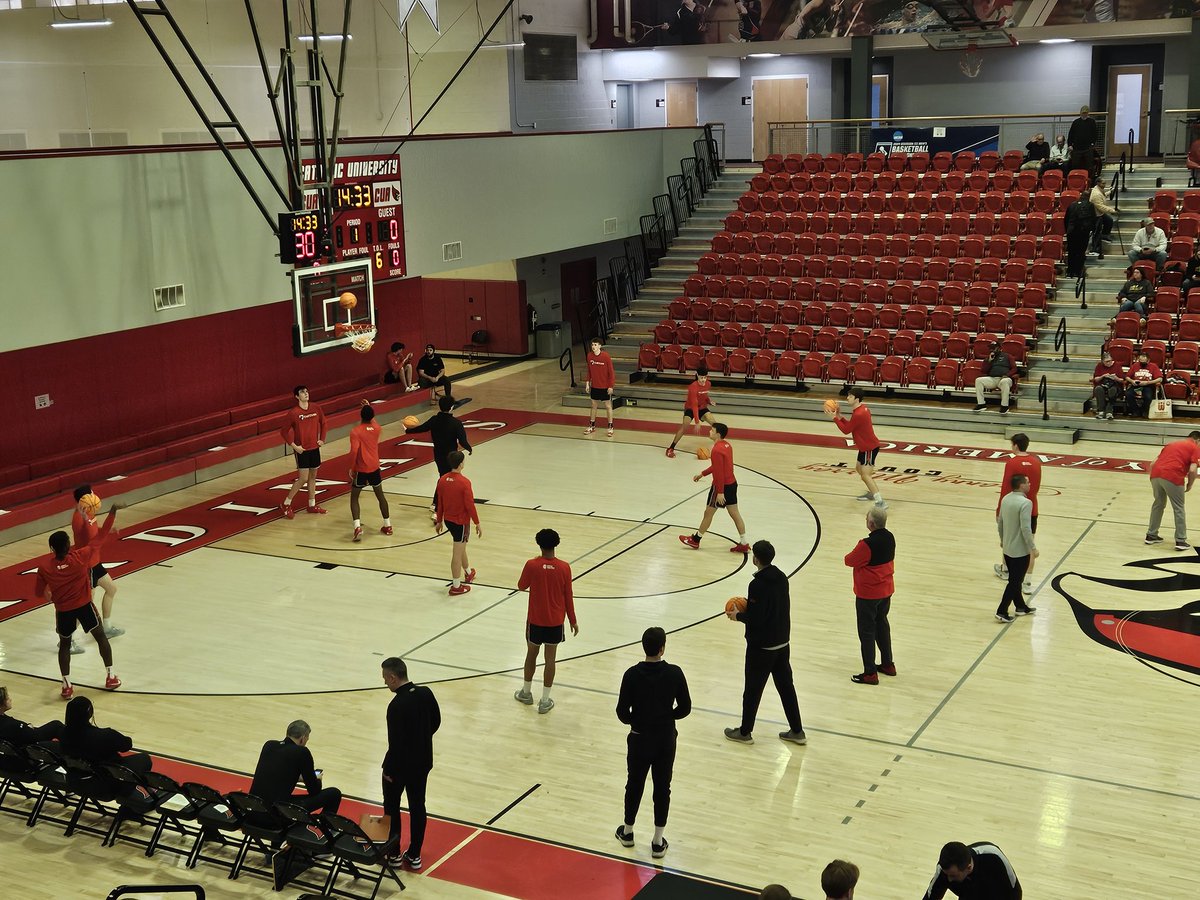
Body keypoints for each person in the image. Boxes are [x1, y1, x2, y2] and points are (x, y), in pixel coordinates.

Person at [614, 626, 691, 861]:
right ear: (662, 648)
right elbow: (685, 708)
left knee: (634, 783)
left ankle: (627, 832)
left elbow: (621, 711)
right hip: (665, 738)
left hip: (639, 737)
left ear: (643, 646)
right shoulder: (675, 673)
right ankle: (658, 842)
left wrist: (635, 721)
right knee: (662, 787)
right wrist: (667, 717)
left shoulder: (631, 674)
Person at [34, 503, 123, 699]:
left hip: (64, 610)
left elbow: (39, 592)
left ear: (51, 549)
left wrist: (50, 595)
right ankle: (110, 676)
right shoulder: (80, 557)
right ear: (68, 545)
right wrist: (112, 513)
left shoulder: (44, 567)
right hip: (84, 606)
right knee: (100, 637)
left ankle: (66, 686)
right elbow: (100, 537)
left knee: (64, 645)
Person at [724, 540, 807, 745]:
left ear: (756, 559)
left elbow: (758, 618)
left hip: (762, 647)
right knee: (786, 688)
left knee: (752, 690)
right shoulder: (781, 577)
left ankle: (744, 733)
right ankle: (797, 731)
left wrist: (738, 616)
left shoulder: (757, 584)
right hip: (782, 643)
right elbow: (770, 607)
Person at [380, 657, 441, 871]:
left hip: (399, 767)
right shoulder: (426, 693)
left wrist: (389, 770)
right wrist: (421, 740)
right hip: (422, 762)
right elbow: (436, 722)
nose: (385, 683)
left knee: (392, 807)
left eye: (385, 679)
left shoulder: (396, 705)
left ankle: (394, 853)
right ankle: (415, 854)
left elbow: (395, 743)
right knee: (418, 806)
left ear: (393, 677)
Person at [514, 529, 578, 715]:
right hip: (556, 623)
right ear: (556, 544)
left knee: (531, 655)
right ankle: (544, 700)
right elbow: (569, 596)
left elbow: (520, 586)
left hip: (535, 621)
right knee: (550, 660)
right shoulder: (565, 567)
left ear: (539, 544)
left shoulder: (532, 565)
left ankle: (526, 693)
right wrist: (572, 620)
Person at [679, 423, 751, 553]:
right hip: (732, 483)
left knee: (708, 513)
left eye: (712, 430)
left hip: (720, 486)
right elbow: (719, 466)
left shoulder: (716, 450)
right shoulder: (727, 445)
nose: (709, 431)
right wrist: (702, 474)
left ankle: (695, 540)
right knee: (735, 514)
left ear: (718, 434)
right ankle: (744, 543)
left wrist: (720, 492)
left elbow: (718, 473)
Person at [845, 506, 895, 685]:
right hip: (886, 590)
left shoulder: (866, 544)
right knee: (882, 625)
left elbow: (849, 560)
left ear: (871, 523)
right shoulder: (890, 537)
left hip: (868, 594)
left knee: (867, 631)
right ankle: (888, 664)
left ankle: (870, 673)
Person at [402, 395, 473, 519]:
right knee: (445, 480)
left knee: (443, 477)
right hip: (451, 457)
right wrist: (469, 448)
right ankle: (437, 509)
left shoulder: (434, 420)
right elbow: (462, 440)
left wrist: (407, 431)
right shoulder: (456, 423)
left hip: (438, 455)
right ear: (452, 407)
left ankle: (436, 503)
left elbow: (421, 428)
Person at [250, 720, 341, 815]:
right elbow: (314, 791)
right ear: (302, 738)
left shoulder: (269, 745)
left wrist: (298, 778)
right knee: (334, 794)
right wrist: (317, 779)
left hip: (254, 807)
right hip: (277, 813)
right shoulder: (302, 752)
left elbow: (273, 775)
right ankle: (321, 828)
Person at [71, 484, 123, 641]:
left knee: (111, 589)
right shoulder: (80, 517)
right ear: (86, 498)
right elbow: (89, 538)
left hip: (94, 563)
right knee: (85, 605)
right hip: (87, 566)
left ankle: (106, 627)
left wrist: (106, 529)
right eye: (92, 492)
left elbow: (94, 531)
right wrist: (89, 520)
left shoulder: (87, 513)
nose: (95, 494)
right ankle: (68, 639)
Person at [993, 434, 1042, 597]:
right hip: (1031, 507)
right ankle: (1027, 583)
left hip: (1012, 508)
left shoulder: (1011, 462)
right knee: (1029, 543)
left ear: (1015, 446)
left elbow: (1005, 488)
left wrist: (999, 509)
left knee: (1008, 538)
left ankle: (1006, 569)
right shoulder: (1036, 462)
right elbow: (1036, 488)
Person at [827, 387, 885, 508]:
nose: (847, 398)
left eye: (850, 396)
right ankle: (871, 491)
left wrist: (834, 418)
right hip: (864, 447)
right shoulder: (861, 409)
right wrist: (840, 416)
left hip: (869, 448)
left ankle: (880, 501)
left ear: (856, 399)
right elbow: (853, 426)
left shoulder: (859, 413)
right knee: (859, 469)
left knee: (865, 475)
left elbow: (846, 430)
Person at [61, 696, 150, 774]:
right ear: (89, 713)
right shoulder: (106, 735)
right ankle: (127, 791)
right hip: (104, 783)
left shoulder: (63, 732)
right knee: (144, 758)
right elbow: (127, 745)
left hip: (74, 780)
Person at [434, 450, 480, 595]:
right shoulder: (464, 482)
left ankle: (468, 572)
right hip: (460, 522)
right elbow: (470, 505)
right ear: (461, 464)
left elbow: (439, 502)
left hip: (448, 520)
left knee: (461, 546)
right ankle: (456, 586)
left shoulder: (442, 480)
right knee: (457, 553)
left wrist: (439, 520)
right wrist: (477, 522)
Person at [1144, 431, 1200, 552]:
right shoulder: (1194, 447)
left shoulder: (1171, 444)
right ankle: (1180, 540)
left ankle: (1151, 535)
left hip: (1155, 475)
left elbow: (1153, 463)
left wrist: (1156, 477)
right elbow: (1192, 469)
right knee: (1178, 507)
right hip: (1172, 476)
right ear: (1197, 440)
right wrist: (1190, 484)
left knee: (1158, 504)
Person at [279, 385, 327, 518]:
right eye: (302, 392)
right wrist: (295, 447)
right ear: (296, 396)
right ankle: (286, 503)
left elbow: (324, 423)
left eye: (306, 391)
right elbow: (283, 431)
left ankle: (311, 505)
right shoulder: (293, 413)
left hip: (314, 448)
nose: (306, 394)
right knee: (303, 478)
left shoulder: (316, 408)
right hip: (302, 450)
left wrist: (322, 439)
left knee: (313, 477)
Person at [995, 474, 1037, 623]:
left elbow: (1000, 523)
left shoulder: (1005, 499)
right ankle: (1002, 611)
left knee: (1015, 580)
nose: (1030, 484)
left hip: (1007, 550)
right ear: (1021, 485)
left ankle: (1020, 607)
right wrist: (1033, 547)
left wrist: (1002, 540)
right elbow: (1026, 528)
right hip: (1020, 552)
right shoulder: (1026, 503)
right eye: (1027, 482)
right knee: (1014, 582)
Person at [348, 403, 392, 543]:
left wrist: (352, 467)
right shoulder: (377, 428)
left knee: (354, 497)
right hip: (374, 467)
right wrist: (369, 407)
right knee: (380, 496)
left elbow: (354, 451)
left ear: (360, 416)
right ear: (373, 416)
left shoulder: (356, 431)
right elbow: (372, 422)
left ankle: (357, 527)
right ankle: (388, 525)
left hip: (361, 469)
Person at [922, 840, 1022, 900]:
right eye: (946, 874)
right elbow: (930, 897)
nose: (949, 880)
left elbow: (1015, 890)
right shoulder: (944, 870)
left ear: (968, 867)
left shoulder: (993, 857)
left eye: (953, 876)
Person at [666, 365, 717, 458]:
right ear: (697, 375)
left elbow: (704, 395)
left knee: (715, 424)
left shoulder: (708, 384)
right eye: (701, 377)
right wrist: (697, 422)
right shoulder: (692, 387)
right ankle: (671, 448)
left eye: (705, 377)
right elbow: (694, 404)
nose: (703, 380)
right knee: (684, 428)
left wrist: (709, 401)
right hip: (690, 408)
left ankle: (717, 447)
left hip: (702, 408)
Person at [973, 340, 1016, 414]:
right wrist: (989, 361)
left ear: (999, 348)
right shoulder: (988, 358)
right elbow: (983, 371)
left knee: (1005, 382)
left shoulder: (1007, 356)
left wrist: (1007, 375)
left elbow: (1014, 368)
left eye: (994, 348)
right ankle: (981, 404)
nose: (992, 350)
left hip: (1005, 379)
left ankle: (1004, 406)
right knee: (978, 380)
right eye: (991, 348)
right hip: (993, 379)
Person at [585, 338, 616, 437]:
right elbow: (589, 371)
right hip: (595, 386)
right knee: (593, 405)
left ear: (600, 346)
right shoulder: (589, 356)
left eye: (595, 345)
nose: (593, 346)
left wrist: (611, 386)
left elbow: (611, 373)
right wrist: (587, 383)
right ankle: (592, 425)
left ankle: (610, 427)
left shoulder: (606, 356)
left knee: (608, 406)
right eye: (592, 345)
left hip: (605, 386)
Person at [1064, 191, 1097, 278]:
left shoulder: (1072, 205)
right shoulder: (1090, 205)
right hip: (1082, 232)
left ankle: (1070, 272)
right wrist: (1092, 230)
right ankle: (1078, 272)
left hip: (1071, 232)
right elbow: (1093, 219)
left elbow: (1066, 219)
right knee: (1080, 252)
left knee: (1071, 252)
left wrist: (1067, 230)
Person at [1124, 350, 1163, 418]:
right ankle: (1135, 411)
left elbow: (1160, 379)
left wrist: (1148, 382)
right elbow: (1127, 377)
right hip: (1136, 385)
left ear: (1148, 360)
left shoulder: (1153, 366)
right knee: (1128, 394)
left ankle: (1144, 410)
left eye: (1144, 360)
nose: (1142, 362)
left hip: (1147, 385)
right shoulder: (1135, 365)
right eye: (1141, 360)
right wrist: (1132, 381)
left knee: (1148, 396)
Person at [1092, 349, 1124, 420]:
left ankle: (1109, 411)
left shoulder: (1117, 366)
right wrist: (1103, 376)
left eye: (1110, 361)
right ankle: (1101, 411)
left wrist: (1116, 378)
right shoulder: (1099, 366)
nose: (1109, 363)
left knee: (1112, 391)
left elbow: (1122, 380)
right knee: (1098, 389)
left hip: (1114, 385)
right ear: (1103, 362)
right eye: (1107, 362)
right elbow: (1096, 379)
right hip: (1103, 384)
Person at [1088, 179, 1116, 256]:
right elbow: (1100, 206)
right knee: (1096, 232)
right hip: (1095, 215)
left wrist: (1109, 192)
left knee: (1109, 221)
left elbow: (1103, 196)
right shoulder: (1096, 193)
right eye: (1103, 183)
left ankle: (1104, 235)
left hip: (1100, 213)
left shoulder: (1099, 190)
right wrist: (1112, 210)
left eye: (1105, 183)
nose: (1104, 185)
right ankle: (1094, 249)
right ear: (1098, 183)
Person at [1067, 105, 1098, 174]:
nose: (1084, 114)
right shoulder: (1076, 122)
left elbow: (1095, 134)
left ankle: (1089, 180)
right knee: (1075, 165)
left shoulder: (1092, 122)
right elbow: (1071, 134)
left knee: (1089, 166)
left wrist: (1093, 143)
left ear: (1088, 113)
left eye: (1085, 113)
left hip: (1088, 148)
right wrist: (1070, 145)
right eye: (1083, 113)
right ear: (1080, 113)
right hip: (1077, 148)